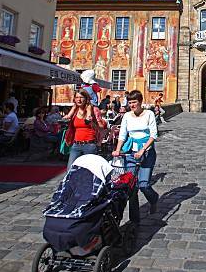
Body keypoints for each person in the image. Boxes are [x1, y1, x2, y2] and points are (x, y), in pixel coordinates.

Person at [112, 90, 159, 223]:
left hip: (147, 152)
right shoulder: (127, 116)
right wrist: (117, 150)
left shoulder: (149, 114)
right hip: (131, 153)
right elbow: (122, 135)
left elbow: (153, 135)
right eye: (130, 102)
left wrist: (143, 149)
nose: (132, 105)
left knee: (143, 184)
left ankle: (154, 199)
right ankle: (134, 219)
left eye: (134, 102)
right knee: (131, 186)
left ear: (140, 102)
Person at [62, 90, 106, 170]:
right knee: (70, 169)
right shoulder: (74, 110)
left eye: (81, 97)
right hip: (76, 145)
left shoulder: (93, 109)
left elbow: (101, 127)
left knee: (89, 170)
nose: (79, 100)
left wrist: (92, 121)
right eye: (77, 97)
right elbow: (69, 122)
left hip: (89, 145)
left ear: (86, 98)